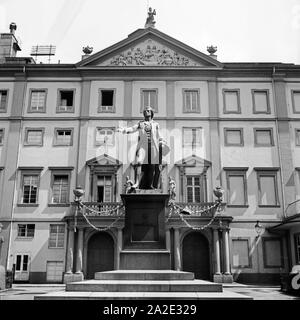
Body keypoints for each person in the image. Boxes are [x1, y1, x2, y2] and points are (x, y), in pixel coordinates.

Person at [117, 106, 169, 190]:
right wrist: (124, 130)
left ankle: (150, 185)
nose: (146, 111)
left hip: (153, 146)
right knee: (139, 162)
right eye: (145, 111)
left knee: (152, 167)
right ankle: (137, 183)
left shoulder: (155, 124)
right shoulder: (140, 123)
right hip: (143, 145)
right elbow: (132, 129)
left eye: (148, 110)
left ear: (151, 113)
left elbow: (159, 135)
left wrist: (162, 142)